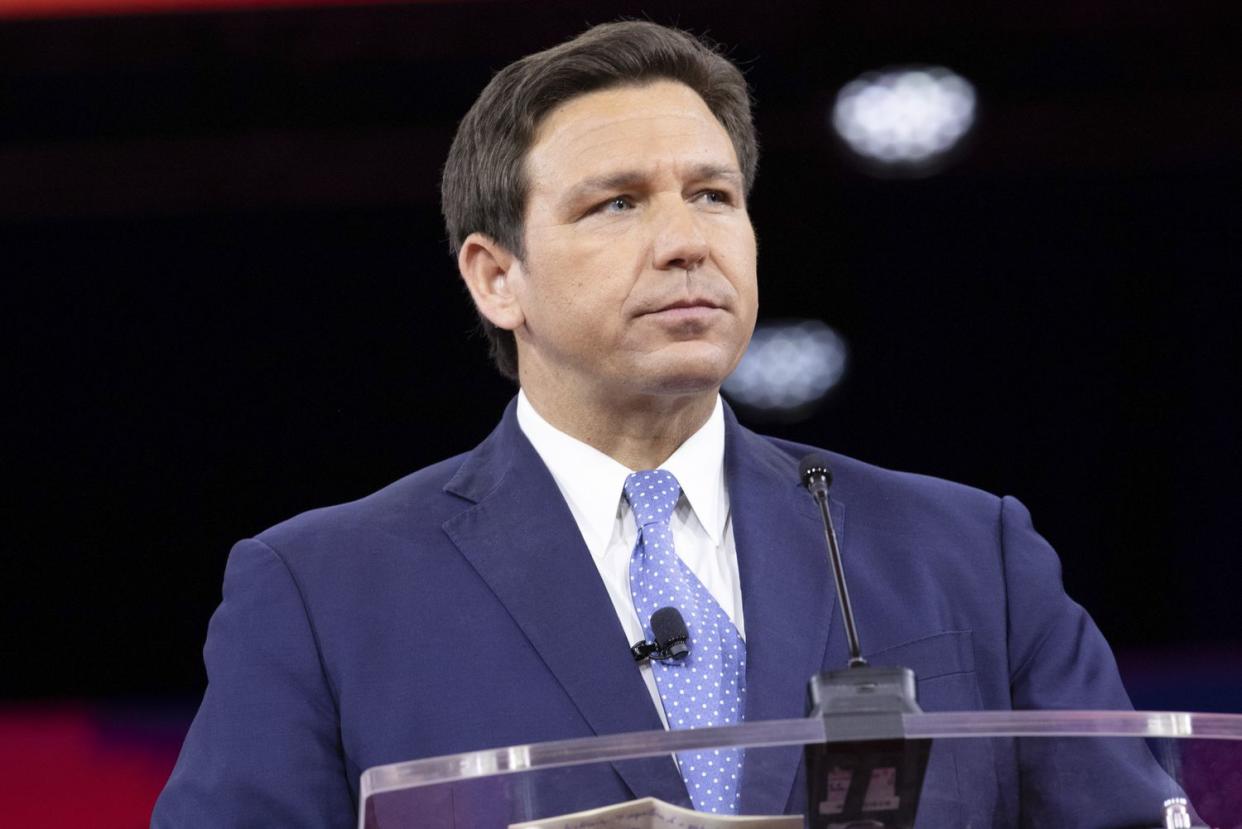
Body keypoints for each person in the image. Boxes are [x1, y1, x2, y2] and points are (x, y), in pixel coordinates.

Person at [153, 21, 1169, 828]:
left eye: (714, 195)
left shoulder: (969, 555)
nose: (688, 240)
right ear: (497, 276)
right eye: (619, 204)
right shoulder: (325, 593)